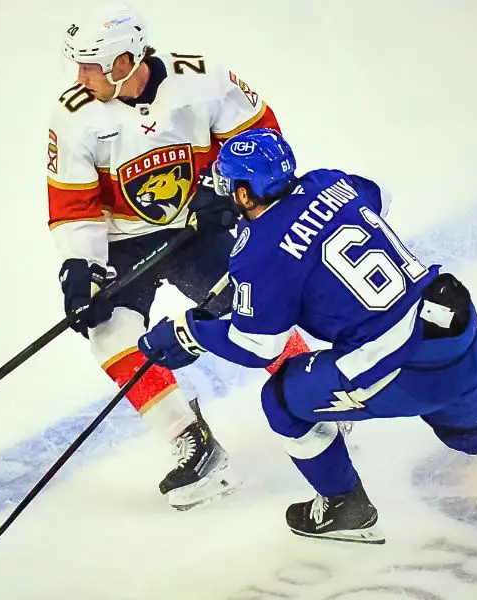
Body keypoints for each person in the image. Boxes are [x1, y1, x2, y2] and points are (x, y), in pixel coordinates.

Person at [137, 128, 477, 542]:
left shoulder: (257, 255)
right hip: (455, 325)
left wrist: (189, 332)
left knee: (280, 400)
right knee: (474, 426)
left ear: (244, 194)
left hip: (398, 363)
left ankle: (345, 507)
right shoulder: (329, 181)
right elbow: (379, 198)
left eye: (228, 186)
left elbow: (258, 345)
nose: (222, 193)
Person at [47, 3, 312, 510]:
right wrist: (80, 268)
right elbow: (74, 205)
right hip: (124, 240)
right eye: (77, 64)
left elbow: (263, 140)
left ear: (125, 60)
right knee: (110, 337)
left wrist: (225, 189)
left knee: (252, 307)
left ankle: (312, 395)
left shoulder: (203, 80)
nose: (80, 76)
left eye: (90, 65)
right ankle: (193, 443)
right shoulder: (74, 115)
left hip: (197, 225)